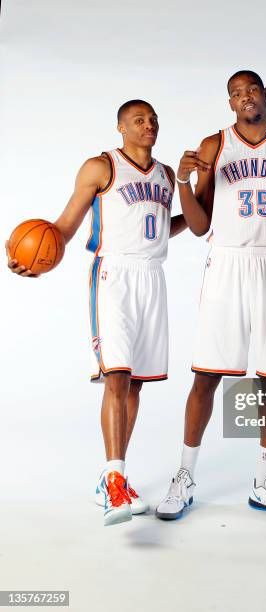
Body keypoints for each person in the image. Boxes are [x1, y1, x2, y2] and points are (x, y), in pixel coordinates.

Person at [6, 100, 186, 526]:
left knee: (136, 385)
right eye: (139, 120)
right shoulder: (100, 166)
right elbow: (65, 225)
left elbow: (160, 224)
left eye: (153, 120)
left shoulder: (165, 176)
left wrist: (192, 221)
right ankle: (114, 479)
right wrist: (36, 261)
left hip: (152, 278)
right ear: (121, 126)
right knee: (117, 376)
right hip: (114, 275)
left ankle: (113, 477)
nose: (149, 125)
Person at [156, 70, 266, 522]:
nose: (245, 97)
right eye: (236, 93)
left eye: (252, 90)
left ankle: (265, 482)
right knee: (208, 375)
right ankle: (185, 476)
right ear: (229, 103)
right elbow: (198, 225)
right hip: (228, 261)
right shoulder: (215, 145)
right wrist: (184, 185)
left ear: (265, 94)